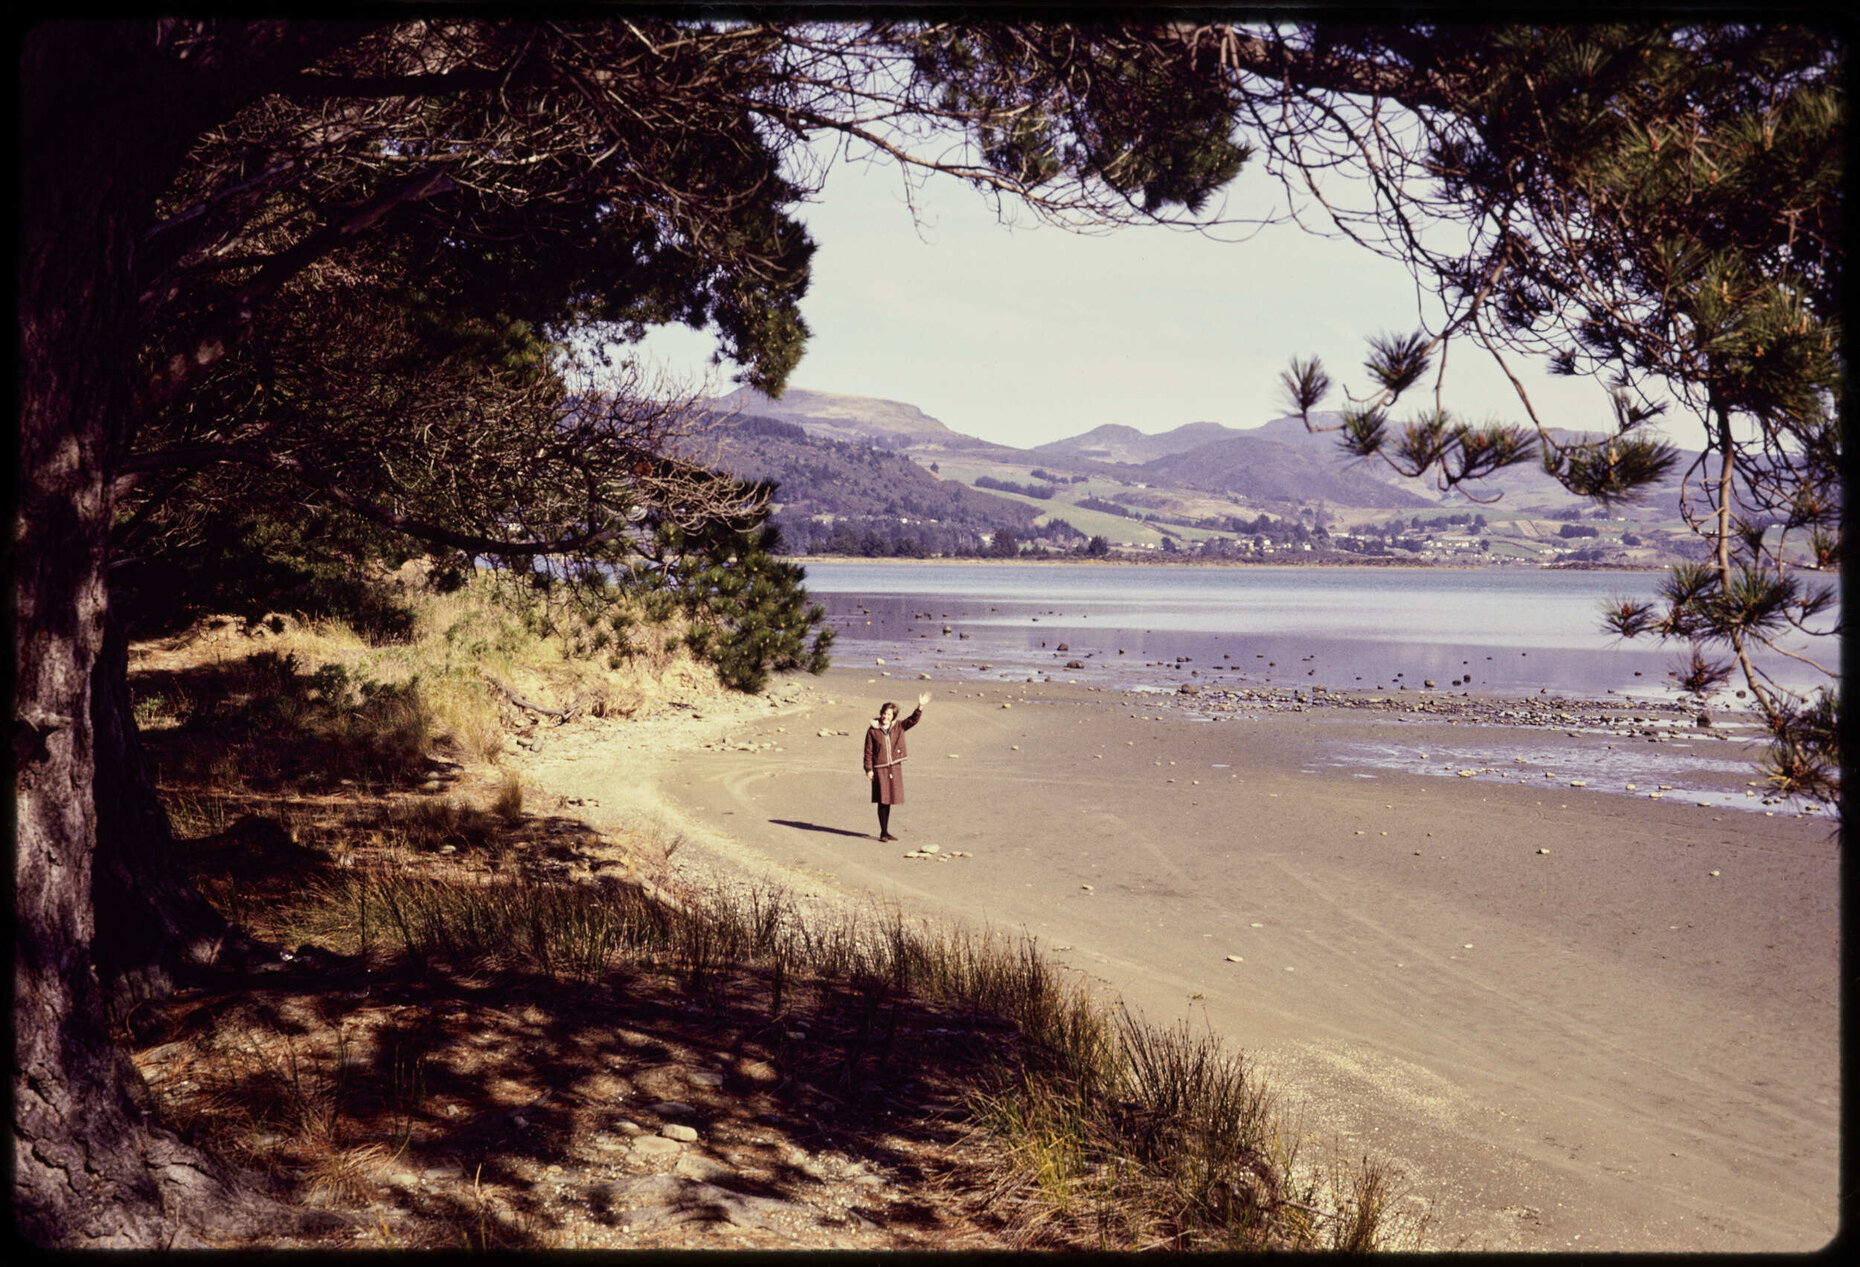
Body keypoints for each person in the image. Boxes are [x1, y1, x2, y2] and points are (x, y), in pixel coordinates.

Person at [863, 691, 929, 842]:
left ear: (893, 716)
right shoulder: (872, 730)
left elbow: (913, 720)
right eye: (885, 714)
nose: (886, 717)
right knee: (882, 800)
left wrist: (920, 706)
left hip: (894, 767)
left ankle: (886, 832)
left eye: (890, 715)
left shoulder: (898, 726)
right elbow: (868, 751)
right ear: (881, 714)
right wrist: (869, 769)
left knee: (889, 799)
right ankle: (883, 832)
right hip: (880, 768)